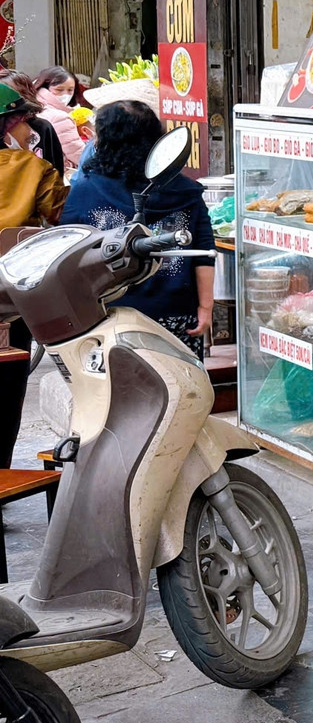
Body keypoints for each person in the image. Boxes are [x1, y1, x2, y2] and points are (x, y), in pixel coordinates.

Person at [58, 101, 215, 357]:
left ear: (106, 139)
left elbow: (68, 250)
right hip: (175, 314)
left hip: (108, 315)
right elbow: (204, 251)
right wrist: (206, 308)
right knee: (180, 379)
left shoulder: (87, 189)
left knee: (120, 380)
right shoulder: (185, 191)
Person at [0, 80, 65, 469]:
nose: (30, 131)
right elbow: (62, 216)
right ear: (9, 125)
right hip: (10, 303)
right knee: (6, 397)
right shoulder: (32, 168)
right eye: (25, 122)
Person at [31, 66, 85, 167]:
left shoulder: (32, 107)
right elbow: (79, 155)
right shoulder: (60, 117)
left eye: (70, 90)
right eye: (59, 90)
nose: (65, 95)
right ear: (45, 88)